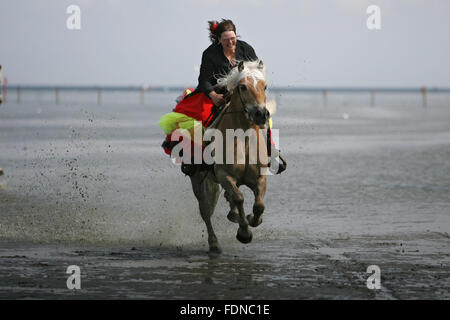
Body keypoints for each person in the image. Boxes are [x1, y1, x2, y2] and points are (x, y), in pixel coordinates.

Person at [159, 19, 286, 175]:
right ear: (219, 40)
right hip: (215, 94)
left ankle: (270, 152)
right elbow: (204, 80)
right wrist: (213, 95)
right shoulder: (210, 54)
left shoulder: (246, 49)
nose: (230, 42)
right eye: (226, 40)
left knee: (264, 116)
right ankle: (198, 159)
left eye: (233, 38)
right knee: (202, 118)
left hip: (242, 93)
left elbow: (256, 73)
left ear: (236, 36)